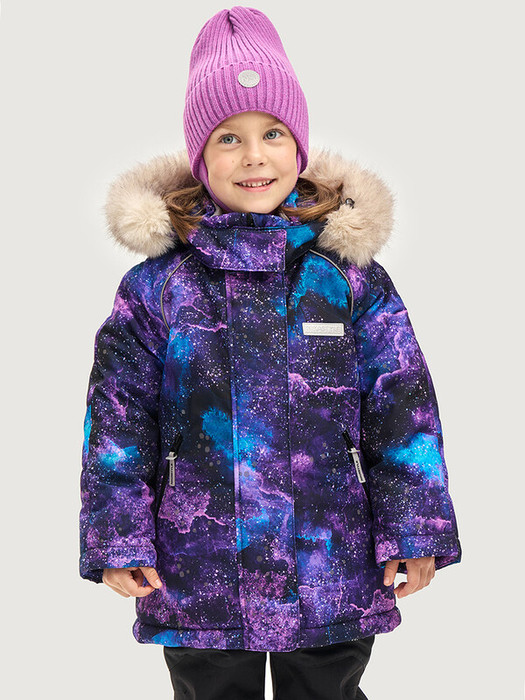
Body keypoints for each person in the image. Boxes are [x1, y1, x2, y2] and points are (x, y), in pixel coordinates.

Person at [79, 6, 462, 699]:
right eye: (228, 137)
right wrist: (118, 537)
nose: (253, 156)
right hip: (197, 564)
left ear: (299, 145)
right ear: (200, 157)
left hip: (330, 560)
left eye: (273, 133)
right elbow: (118, 423)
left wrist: (414, 527)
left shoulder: (347, 279)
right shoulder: (157, 288)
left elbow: (402, 410)